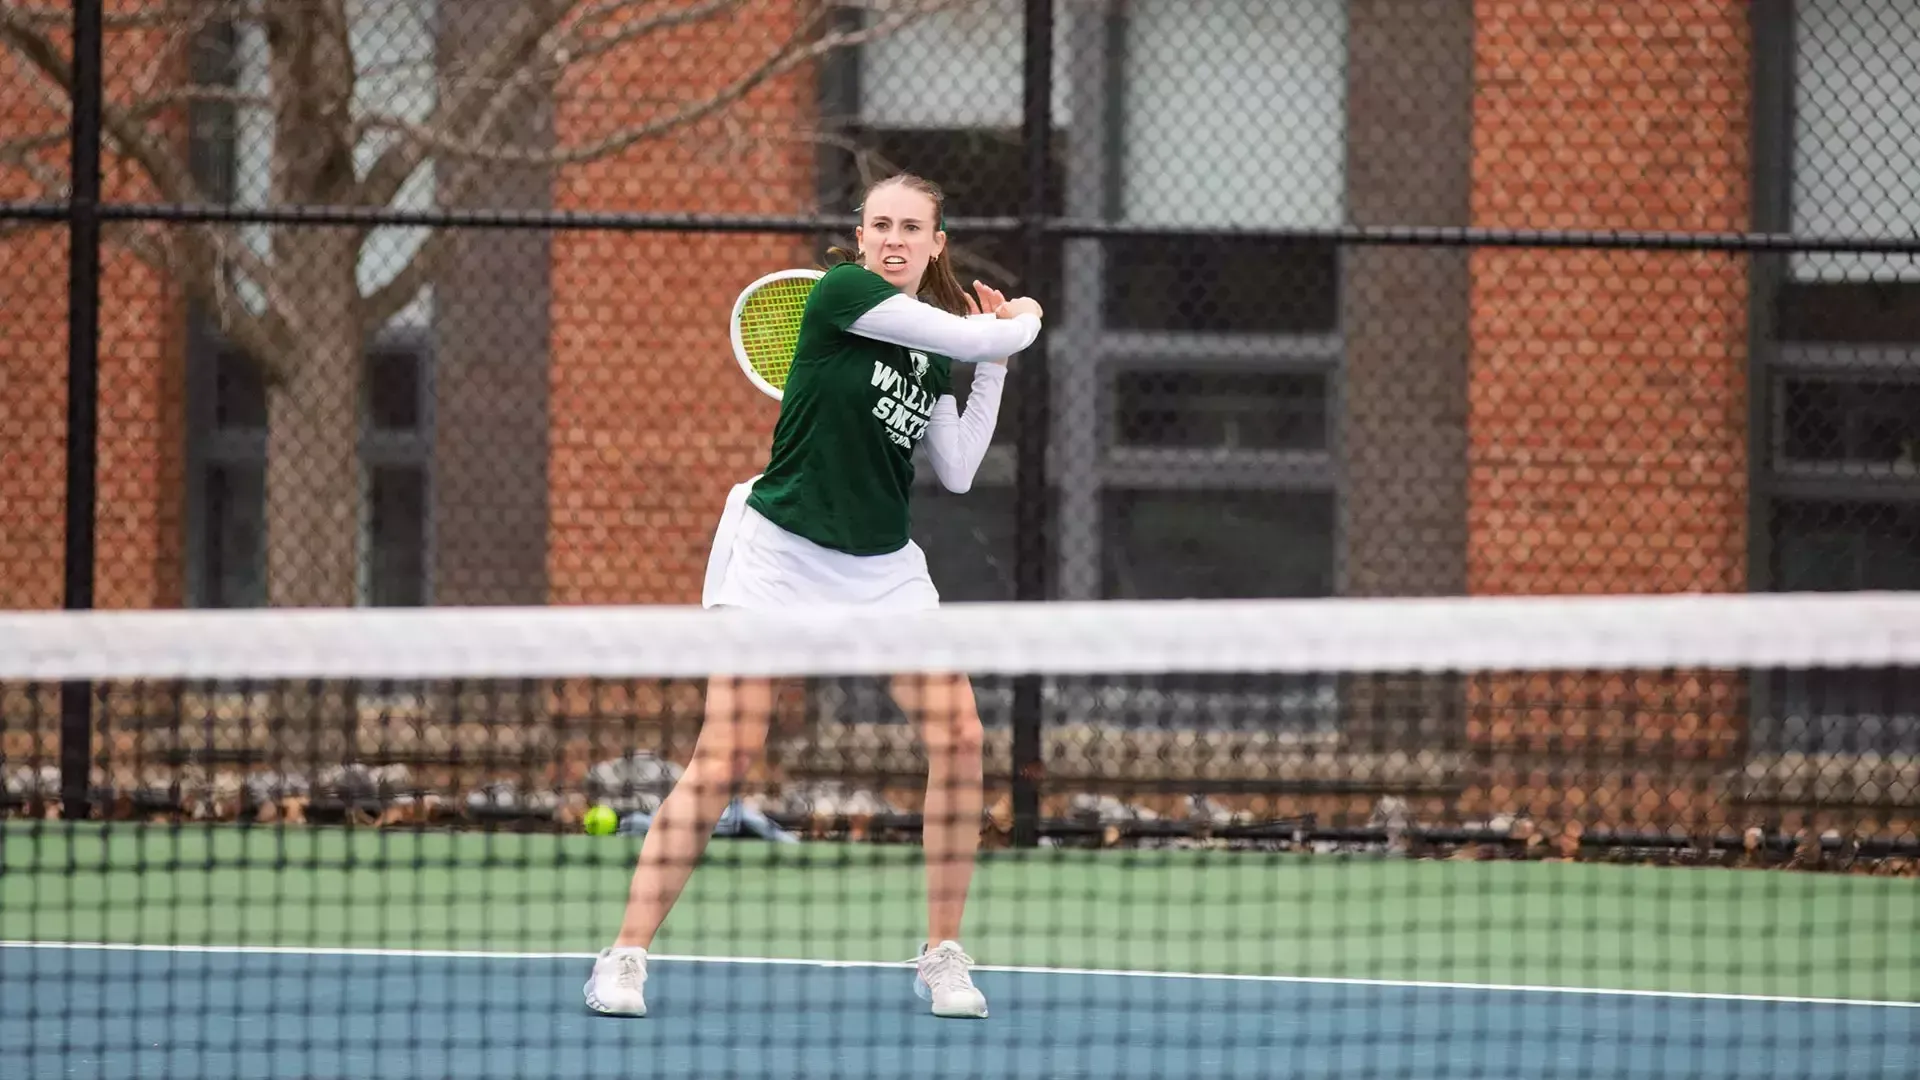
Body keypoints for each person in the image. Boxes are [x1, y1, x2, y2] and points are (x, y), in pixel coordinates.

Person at [583, 173, 1045, 1021]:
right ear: (860, 237)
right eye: (880, 225)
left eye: (913, 227)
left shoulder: (930, 343)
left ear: (936, 243)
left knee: (962, 735)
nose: (895, 238)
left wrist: (998, 358)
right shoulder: (841, 295)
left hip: (880, 571)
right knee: (726, 755)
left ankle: (942, 952)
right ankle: (623, 956)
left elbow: (959, 466)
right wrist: (1021, 323)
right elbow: (980, 338)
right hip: (778, 557)